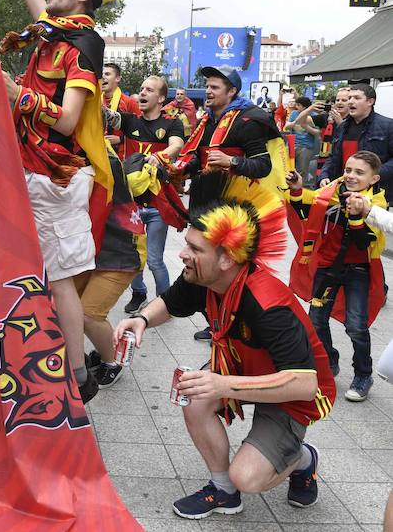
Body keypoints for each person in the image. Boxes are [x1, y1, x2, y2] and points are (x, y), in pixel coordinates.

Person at [114, 174, 335, 520]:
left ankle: (304, 459)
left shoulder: (267, 303)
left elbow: (305, 383)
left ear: (228, 259)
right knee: (195, 395)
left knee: (247, 476)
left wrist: (224, 384)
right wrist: (140, 320)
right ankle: (223, 491)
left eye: (195, 249)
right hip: (241, 371)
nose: (183, 254)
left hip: (292, 392)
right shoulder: (202, 277)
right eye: (187, 243)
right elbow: (170, 303)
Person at [4, 0, 116, 402]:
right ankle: (69, 367)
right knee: (52, 277)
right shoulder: (51, 29)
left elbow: (69, 121)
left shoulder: (82, 44)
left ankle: (77, 375)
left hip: (60, 175)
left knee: (63, 279)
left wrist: (15, 93)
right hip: (34, 173)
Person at [172, 65, 286, 341]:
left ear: (232, 91)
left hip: (235, 216)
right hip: (208, 206)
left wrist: (232, 161)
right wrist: (180, 169)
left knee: (232, 273)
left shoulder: (248, 121)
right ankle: (217, 323)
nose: (208, 92)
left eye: (215, 87)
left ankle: (240, 326)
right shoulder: (206, 121)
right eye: (207, 86)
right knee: (209, 271)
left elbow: (263, 165)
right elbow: (200, 157)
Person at [287, 151, 387, 402]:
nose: (351, 176)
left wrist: (355, 216)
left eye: (359, 173)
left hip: (358, 272)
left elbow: (364, 241)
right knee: (317, 320)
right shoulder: (330, 193)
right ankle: (329, 360)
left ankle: (363, 373)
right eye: (349, 170)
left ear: (373, 179)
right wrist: (298, 188)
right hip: (326, 268)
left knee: (356, 326)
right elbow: (304, 208)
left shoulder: (377, 206)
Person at [75, 149, 144, 388]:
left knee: (88, 314)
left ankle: (112, 361)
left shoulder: (102, 159)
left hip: (121, 251)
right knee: (67, 306)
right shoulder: (82, 152)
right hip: (89, 250)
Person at [117, 76, 185, 314]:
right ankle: (139, 294)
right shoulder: (128, 120)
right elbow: (105, 115)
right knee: (134, 258)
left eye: (150, 90)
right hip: (131, 205)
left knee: (155, 259)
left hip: (158, 205)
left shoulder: (172, 124)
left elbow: (176, 145)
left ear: (161, 98)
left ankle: (166, 303)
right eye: (142, 88)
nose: (143, 93)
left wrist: (161, 155)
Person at [318, 83, 393, 194]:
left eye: (357, 98)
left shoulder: (388, 126)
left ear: (370, 102)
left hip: (374, 193)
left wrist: (370, 176)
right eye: (349, 98)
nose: (351, 101)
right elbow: (333, 156)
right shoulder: (342, 127)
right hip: (343, 190)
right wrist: (324, 175)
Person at [101, 62, 141, 156]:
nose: (103, 77)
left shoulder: (128, 102)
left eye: (107, 74)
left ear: (117, 78)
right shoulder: (95, 101)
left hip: (121, 154)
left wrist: (120, 139)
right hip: (99, 152)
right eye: (101, 74)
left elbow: (140, 128)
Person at [283, 96, 320, 186]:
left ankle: (299, 190)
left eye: (298, 105)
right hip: (292, 145)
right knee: (285, 167)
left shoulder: (314, 115)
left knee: (302, 171)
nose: (296, 106)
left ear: (304, 107)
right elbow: (286, 126)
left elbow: (318, 133)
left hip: (306, 147)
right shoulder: (294, 113)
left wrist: (306, 126)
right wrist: (296, 122)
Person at [313, 88, 349, 177]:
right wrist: (311, 108)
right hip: (326, 161)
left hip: (342, 165)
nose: (339, 102)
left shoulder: (352, 121)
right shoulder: (327, 117)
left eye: (344, 100)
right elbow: (300, 122)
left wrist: (340, 123)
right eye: (337, 100)